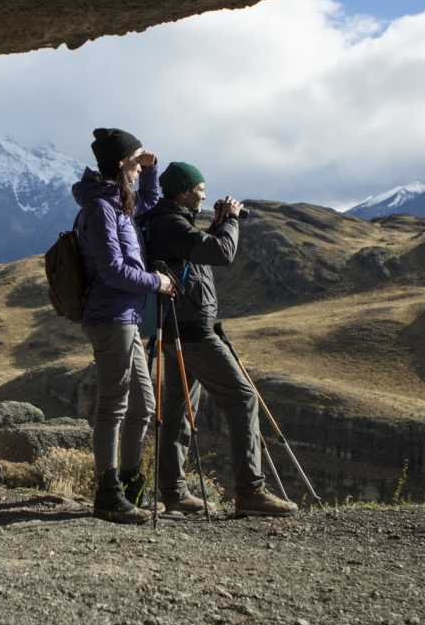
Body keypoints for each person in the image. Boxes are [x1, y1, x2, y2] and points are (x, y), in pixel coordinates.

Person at [139, 161, 297, 517]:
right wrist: (230, 221)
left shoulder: (168, 222)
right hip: (191, 334)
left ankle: (174, 492)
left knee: (179, 411)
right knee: (242, 398)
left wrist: (214, 224)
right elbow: (221, 253)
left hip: (182, 329)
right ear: (181, 191)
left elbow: (195, 254)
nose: (205, 194)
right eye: (199, 189)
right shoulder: (169, 224)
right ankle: (250, 492)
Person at [72, 128, 177, 524]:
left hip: (127, 317)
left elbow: (147, 201)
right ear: (119, 164)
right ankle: (108, 492)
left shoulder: (117, 202)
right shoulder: (101, 209)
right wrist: (157, 282)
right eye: (134, 161)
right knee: (114, 406)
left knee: (143, 404)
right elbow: (113, 270)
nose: (138, 167)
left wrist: (151, 169)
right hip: (110, 317)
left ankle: (129, 484)